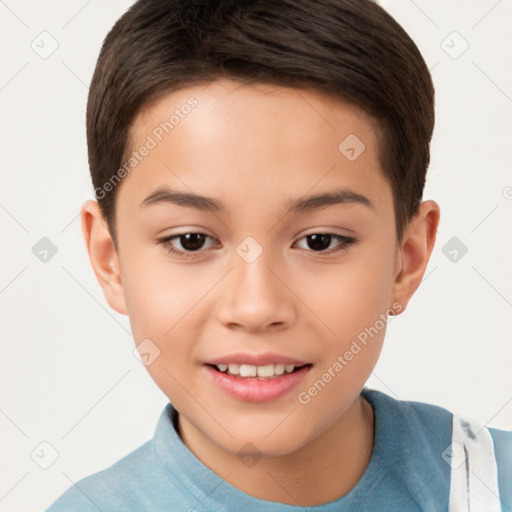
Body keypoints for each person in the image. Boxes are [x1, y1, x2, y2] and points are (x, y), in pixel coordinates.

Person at [45, 0, 512, 510]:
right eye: (191, 241)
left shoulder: (489, 484)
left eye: (320, 241)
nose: (256, 307)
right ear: (110, 259)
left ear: (407, 257)